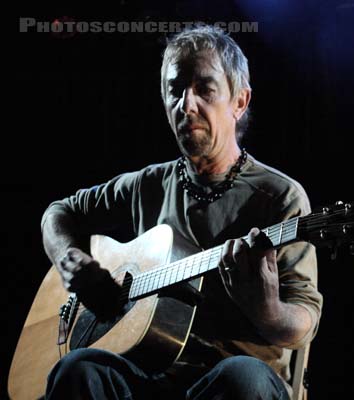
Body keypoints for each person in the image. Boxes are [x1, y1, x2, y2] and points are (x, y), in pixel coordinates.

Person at [41, 25, 322, 400]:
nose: (186, 105)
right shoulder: (146, 184)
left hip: (230, 380)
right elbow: (58, 213)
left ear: (239, 101)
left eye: (205, 89)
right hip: (147, 375)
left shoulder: (279, 196)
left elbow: (301, 322)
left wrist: (267, 309)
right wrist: (69, 258)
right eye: (175, 90)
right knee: (77, 368)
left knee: (244, 377)